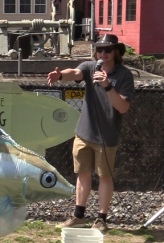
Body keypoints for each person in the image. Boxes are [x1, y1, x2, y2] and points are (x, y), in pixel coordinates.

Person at [47, 34, 134, 232]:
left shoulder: (124, 75)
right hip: (84, 133)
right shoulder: (90, 67)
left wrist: (107, 85)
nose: (103, 53)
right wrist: (60, 76)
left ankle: (101, 219)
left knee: (104, 177)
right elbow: (75, 73)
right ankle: (79, 216)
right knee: (82, 174)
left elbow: (123, 107)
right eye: (100, 49)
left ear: (116, 52)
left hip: (107, 137)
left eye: (108, 49)